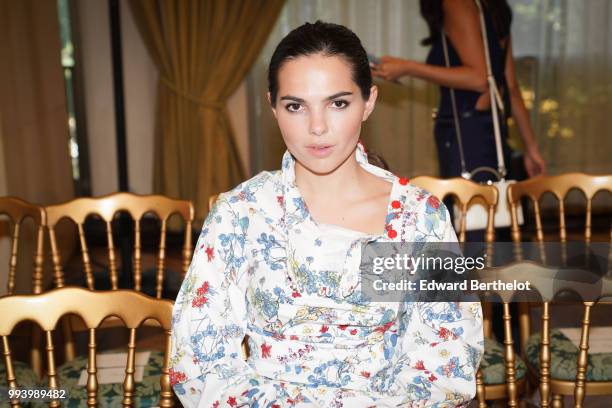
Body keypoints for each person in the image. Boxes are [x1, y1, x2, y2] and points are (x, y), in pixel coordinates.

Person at [170, 21, 483, 407]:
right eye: (295, 106)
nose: (317, 127)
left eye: (338, 103)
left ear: (368, 101)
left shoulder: (416, 217)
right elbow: (200, 358)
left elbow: (446, 354)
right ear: (272, 106)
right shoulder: (241, 214)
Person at [372, 0, 546, 183]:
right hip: (490, 131)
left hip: (467, 131)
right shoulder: (492, 6)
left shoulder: (456, 3)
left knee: (467, 207)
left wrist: (408, 67)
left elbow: (479, 79)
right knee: (492, 205)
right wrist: (531, 148)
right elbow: (510, 86)